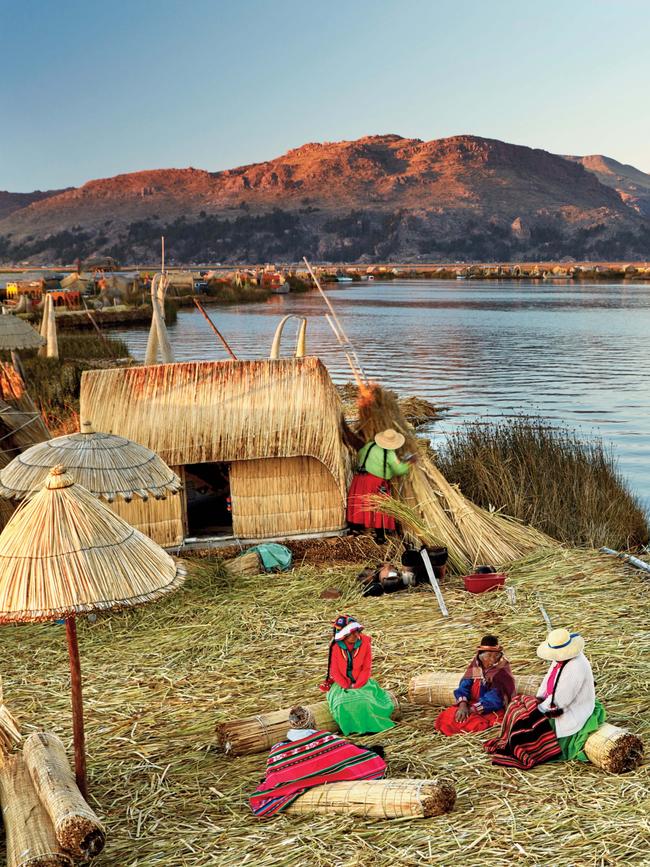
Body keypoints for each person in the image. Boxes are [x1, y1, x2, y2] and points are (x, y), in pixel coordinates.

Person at [484, 628, 605, 769]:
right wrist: (536, 700)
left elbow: (561, 701)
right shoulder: (560, 658)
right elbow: (547, 682)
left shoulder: (576, 666)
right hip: (551, 703)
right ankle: (508, 740)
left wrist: (536, 710)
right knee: (516, 708)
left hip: (568, 710)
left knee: (528, 724)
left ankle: (526, 748)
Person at [249, 706, 386, 818]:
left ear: (292, 724)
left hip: (293, 784)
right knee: (370, 756)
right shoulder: (327, 740)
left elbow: (273, 777)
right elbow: (353, 755)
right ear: (313, 722)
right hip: (330, 779)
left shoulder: (277, 750)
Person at [320, 615, 395, 736]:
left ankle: (370, 727)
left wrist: (357, 684)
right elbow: (334, 671)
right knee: (342, 703)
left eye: (357, 632)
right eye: (352, 633)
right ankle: (352, 730)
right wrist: (346, 685)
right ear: (343, 635)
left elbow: (366, 668)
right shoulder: (335, 646)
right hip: (340, 684)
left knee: (364, 701)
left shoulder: (364, 642)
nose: (357, 636)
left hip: (362, 681)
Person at [434, 635, 516, 736]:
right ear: (480, 656)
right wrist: (463, 705)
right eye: (489, 656)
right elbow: (464, 686)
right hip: (471, 704)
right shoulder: (476, 665)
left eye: (496, 656)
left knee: (480, 724)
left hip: (490, 709)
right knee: (447, 716)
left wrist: (473, 709)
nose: (493, 660)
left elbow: (496, 698)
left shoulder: (501, 670)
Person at [346, 428, 415, 543]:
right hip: (375, 482)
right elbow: (399, 470)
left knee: (359, 504)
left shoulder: (369, 446)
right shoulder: (389, 453)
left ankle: (356, 529)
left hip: (359, 479)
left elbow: (359, 456)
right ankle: (380, 536)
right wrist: (410, 462)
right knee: (380, 507)